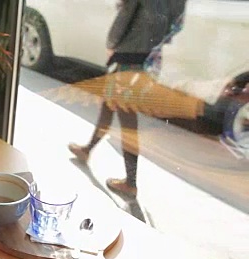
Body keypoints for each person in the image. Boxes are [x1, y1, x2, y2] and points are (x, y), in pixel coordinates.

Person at [68, 0, 185, 197]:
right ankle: (88, 149)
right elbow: (176, 23)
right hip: (149, 58)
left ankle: (131, 183)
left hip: (128, 58)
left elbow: (122, 22)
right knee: (109, 104)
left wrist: (112, 44)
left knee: (127, 119)